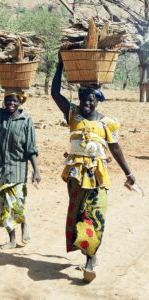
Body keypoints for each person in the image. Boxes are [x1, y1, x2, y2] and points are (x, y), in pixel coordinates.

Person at [51, 54, 135, 283]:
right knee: (78, 211)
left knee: (94, 214)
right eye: (84, 99)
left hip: (98, 175)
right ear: (79, 100)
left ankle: (90, 258)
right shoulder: (72, 114)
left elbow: (115, 149)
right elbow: (54, 94)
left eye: (91, 100)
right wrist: (59, 66)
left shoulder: (107, 123)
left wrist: (129, 173)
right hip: (76, 175)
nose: (87, 103)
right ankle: (88, 251)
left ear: (97, 101)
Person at [0, 64, 41, 249]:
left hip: (18, 170)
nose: (11, 104)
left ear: (20, 102)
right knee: (4, 206)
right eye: (8, 101)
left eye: (14, 101)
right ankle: (12, 240)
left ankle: (24, 224)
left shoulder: (26, 120)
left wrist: (36, 170)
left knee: (17, 205)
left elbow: (31, 148)